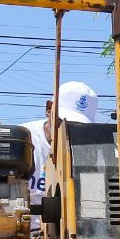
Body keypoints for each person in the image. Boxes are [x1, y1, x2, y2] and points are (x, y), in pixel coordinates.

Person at [23, 80, 100, 208]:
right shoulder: (22, 139)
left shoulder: (90, 152)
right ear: (49, 109)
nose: (68, 129)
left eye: (77, 125)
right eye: (63, 122)